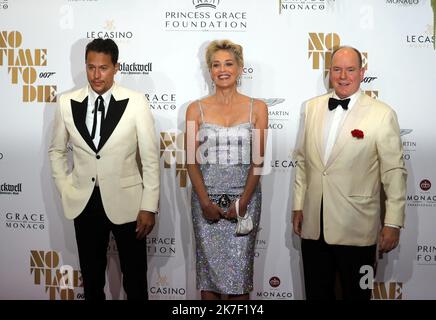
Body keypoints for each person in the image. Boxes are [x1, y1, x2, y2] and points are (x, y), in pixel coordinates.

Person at [292, 46, 407, 300]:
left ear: (362, 72)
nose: (343, 76)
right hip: (314, 227)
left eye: (351, 69)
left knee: (357, 296)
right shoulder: (311, 108)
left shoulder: (382, 114)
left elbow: (394, 172)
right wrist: (299, 205)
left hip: (358, 228)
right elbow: (302, 161)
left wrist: (393, 222)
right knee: (316, 295)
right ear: (329, 72)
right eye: (337, 69)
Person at [48, 38, 160, 300]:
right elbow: (56, 150)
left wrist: (149, 205)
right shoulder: (66, 102)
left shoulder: (135, 101)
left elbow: (150, 157)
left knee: (135, 282)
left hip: (129, 203)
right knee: (92, 281)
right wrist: (66, 188)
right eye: (91, 67)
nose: (96, 75)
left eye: (103, 68)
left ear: (116, 67)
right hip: (84, 203)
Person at [185, 40, 268, 300]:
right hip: (205, 199)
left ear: (240, 68)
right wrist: (204, 201)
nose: (223, 70)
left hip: (246, 197)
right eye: (216, 65)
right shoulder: (194, 109)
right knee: (208, 281)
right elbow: (190, 160)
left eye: (229, 64)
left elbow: (259, 160)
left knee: (239, 279)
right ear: (209, 71)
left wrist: (243, 202)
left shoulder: (258, 107)